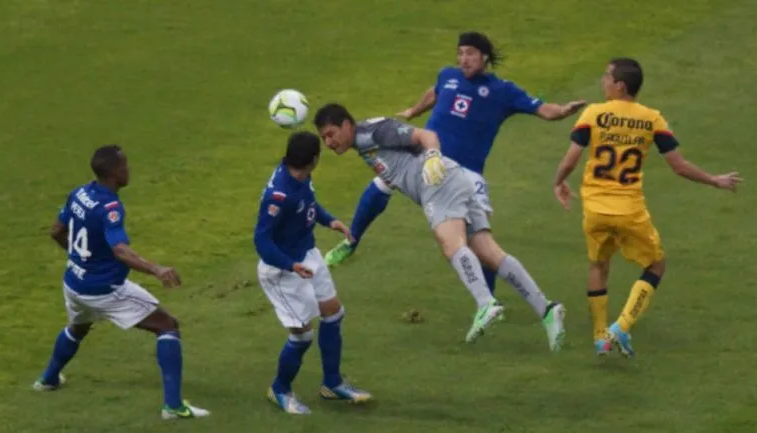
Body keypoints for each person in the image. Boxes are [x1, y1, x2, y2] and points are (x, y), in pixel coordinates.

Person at [323, 31, 585, 299]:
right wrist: (414, 111)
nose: (464, 59)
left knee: (481, 241)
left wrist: (563, 111)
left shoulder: (503, 91)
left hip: (466, 173)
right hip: (424, 160)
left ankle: (488, 301)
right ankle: (351, 241)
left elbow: (543, 109)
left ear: (484, 56)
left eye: (470, 53)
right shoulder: (448, 75)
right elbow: (434, 92)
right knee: (382, 181)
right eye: (460, 53)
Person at [314, 104, 566, 350]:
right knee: (489, 252)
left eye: (331, 134)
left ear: (346, 125)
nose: (328, 143)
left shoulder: (373, 132)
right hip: (454, 180)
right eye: (323, 138)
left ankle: (485, 303)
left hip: (437, 183)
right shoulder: (365, 143)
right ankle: (547, 309)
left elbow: (426, 135)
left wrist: (432, 156)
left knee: (451, 245)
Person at [552, 58, 743, 357]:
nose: (603, 81)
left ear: (620, 86)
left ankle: (600, 337)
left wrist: (559, 182)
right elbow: (679, 166)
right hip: (629, 210)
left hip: (596, 209)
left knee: (598, 265)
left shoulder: (593, 114)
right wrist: (714, 180)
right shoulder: (652, 119)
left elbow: (571, 158)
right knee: (656, 265)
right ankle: (621, 327)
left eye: (607, 77)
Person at [33, 145, 209, 419]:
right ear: (115, 173)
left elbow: (56, 230)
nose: (129, 169)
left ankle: (48, 379)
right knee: (168, 326)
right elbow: (120, 250)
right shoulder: (110, 207)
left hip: (74, 283)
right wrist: (156, 269)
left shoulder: (79, 193)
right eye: (125, 165)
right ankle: (173, 406)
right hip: (104, 290)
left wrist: (79, 258)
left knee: (78, 327)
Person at [254, 131, 372, 415]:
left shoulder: (299, 174)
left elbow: (308, 204)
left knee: (333, 313)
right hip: (281, 270)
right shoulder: (278, 194)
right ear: (315, 160)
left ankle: (332, 383)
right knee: (302, 336)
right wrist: (290, 265)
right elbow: (261, 241)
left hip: (308, 256)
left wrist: (330, 221)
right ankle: (280, 389)